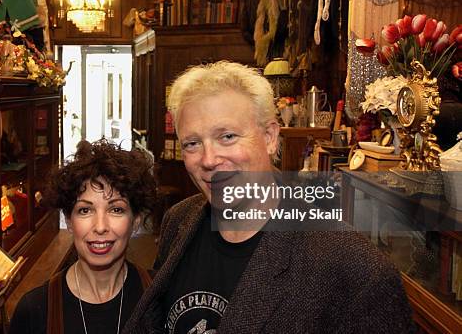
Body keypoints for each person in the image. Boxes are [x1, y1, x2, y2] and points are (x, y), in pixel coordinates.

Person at [123, 61, 414, 333]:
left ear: (270, 137)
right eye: (193, 143)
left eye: (227, 137)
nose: (209, 159)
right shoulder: (180, 220)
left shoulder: (354, 268)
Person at [10, 139, 157, 334]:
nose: (100, 226)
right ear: (69, 221)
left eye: (116, 209)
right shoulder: (35, 311)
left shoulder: (160, 296)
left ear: (135, 220)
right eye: (85, 210)